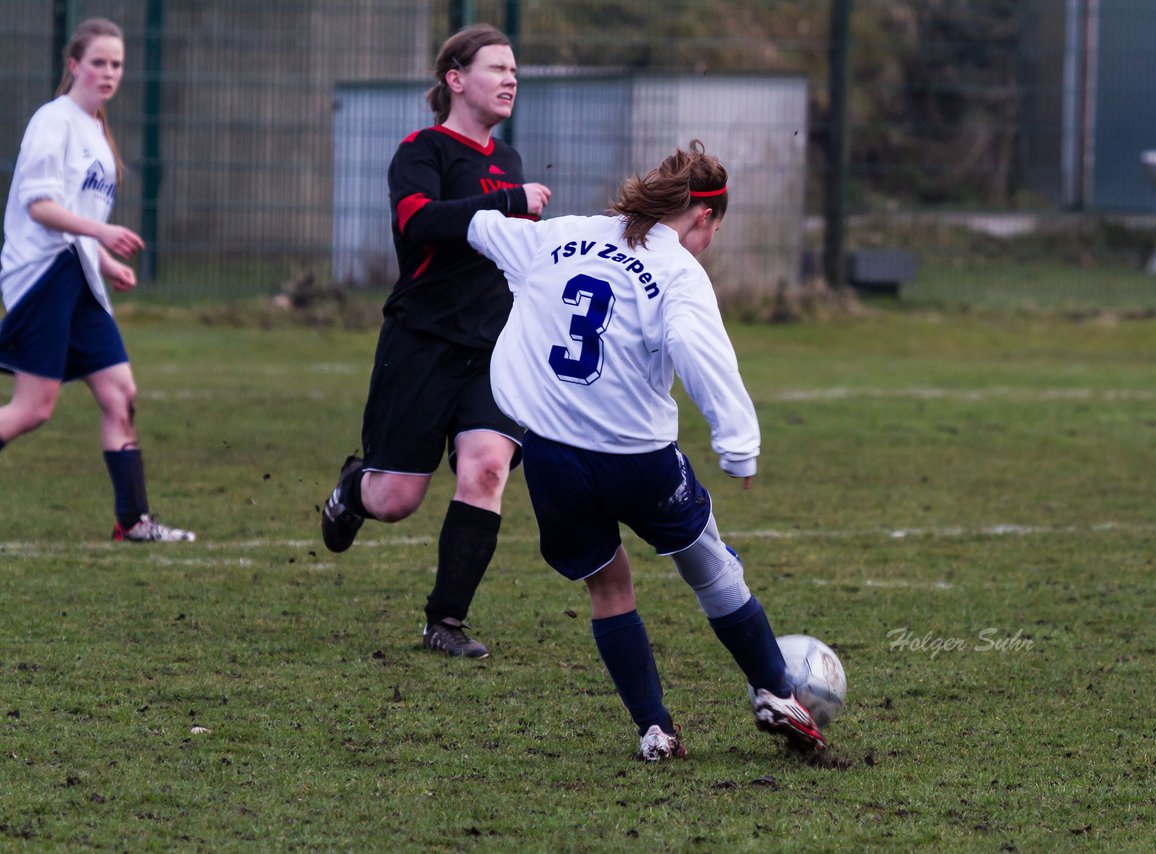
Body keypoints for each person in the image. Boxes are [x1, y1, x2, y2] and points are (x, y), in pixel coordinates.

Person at [464, 141, 826, 759]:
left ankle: (654, 729)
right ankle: (774, 691)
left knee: (608, 587)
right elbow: (697, 350)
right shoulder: (679, 272)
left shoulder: (559, 235)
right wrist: (739, 445)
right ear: (704, 217)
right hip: (637, 457)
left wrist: (487, 208)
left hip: (551, 456)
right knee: (710, 566)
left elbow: (479, 227)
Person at [320, 24, 551, 658]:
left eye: (514, 71)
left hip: (493, 350)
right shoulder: (422, 150)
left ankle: (444, 622)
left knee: (486, 467)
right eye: (496, 68)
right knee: (396, 500)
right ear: (455, 78)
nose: (510, 79)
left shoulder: (508, 160)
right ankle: (352, 489)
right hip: (422, 342)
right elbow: (418, 221)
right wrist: (507, 201)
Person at [0, 18, 194, 543]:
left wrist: (105, 261)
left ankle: (133, 521)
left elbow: (75, 214)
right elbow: (39, 206)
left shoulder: (96, 130)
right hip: (42, 277)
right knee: (33, 409)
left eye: (117, 64)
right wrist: (103, 234)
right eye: (98, 63)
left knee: (119, 393)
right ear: (73, 66)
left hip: (80, 275)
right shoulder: (54, 120)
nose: (109, 73)